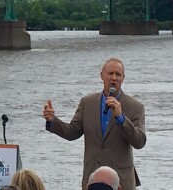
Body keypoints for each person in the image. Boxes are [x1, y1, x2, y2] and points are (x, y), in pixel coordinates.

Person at [43, 57, 146, 190]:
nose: (113, 78)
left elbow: (139, 142)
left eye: (118, 74)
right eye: (110, 73)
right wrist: (52, 121)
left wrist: (121, 117)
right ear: (102, 76)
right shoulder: (87, 103)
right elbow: (72, 132)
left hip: (121, 180)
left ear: (123, 78)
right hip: (92, 178)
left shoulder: (135, 107)